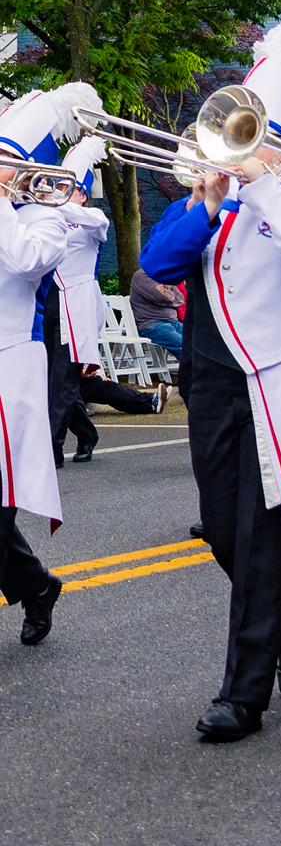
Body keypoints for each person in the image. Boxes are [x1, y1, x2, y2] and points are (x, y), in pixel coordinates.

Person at [141, 20, 281, 742]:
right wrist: (207, 199)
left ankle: (243, 694)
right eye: (238, 132)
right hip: (210, 380)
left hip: (272, 385)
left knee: (263, 539)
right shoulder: (207, 198)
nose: (237, 146)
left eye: (254, 134)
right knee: (225, 535)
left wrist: (262, 178)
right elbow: (159, 264)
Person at [0, 81, 103, 644]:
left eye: (5, 161)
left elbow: (24, 260)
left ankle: (36, 584)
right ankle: (37, 584)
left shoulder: (46, 218)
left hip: (11, 365)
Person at [44, 136, 109, 467]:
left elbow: (97, 222)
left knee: (65, 380)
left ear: (83, 194)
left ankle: (51, 450)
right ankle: (86, 432)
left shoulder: (93, 220)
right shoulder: (49, 216)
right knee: (49, 379)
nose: (60, 193)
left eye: (69, 188)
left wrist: (52, 200)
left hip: (77, 304)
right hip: (49, 301)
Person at [129, 267, 185, 360]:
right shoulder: (143, 275)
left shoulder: (165, 275)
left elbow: (180, 299)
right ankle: (197, 373)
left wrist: (168, 299)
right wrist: (170, 299)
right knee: (184, 346)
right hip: (153, 325)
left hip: (174, 323)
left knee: (200, 344)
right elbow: (161, 296)